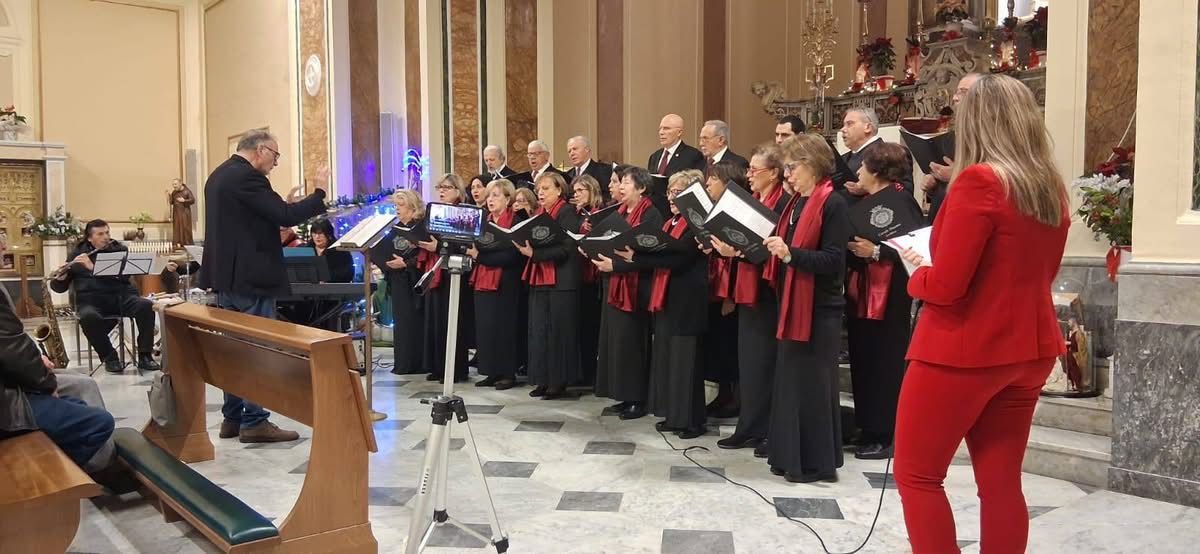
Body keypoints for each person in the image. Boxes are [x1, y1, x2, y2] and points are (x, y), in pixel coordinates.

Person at [892, 74, 1070, 554]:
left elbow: (948, 286)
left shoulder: (979, 180)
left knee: (918, 476)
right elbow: (1040, 272)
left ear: (977, 123)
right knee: (1001, 483)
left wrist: (916, 272)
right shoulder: (1049, 187)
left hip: (963, 349)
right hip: (1028, 350)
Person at [198, 128, 328, 443]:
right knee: (256, 349)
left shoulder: (218, 176)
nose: (275, 163)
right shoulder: (248, 178)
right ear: (261, 150)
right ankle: (255, 421)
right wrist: (319, 193)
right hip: (251, 279)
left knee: (234, 348)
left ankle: (232, 418)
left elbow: (257, 218)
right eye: (275, 155)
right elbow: (285, 215)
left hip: (227, 279)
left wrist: (284, 205)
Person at [762, 133, 849, 483]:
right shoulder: (796, 201)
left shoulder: (833, 203)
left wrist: (789, 254)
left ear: (812, 165)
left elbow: (833, 260)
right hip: (793, 302)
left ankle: (814, 463)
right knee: (791, 384)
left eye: (792, 168)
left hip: (820, 307)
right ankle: (789, 457)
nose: (788, 176)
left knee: (813, 386)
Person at [844, 142, 924, 460]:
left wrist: (876, 251)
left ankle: (888, 432)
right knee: (863, 361)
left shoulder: (901, 200)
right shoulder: (863, 202)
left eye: (862, 167)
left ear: (877, 170)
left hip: (891, 298)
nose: (858, 172)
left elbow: (916, 246)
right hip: (862, 291)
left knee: (885, 364)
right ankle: (868, 427)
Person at [1, 256, 115, 472]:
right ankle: (56, 480)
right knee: (100, 422)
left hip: (9, 380)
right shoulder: (78, 256)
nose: (4, 246)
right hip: (6, 403)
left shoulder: (116, 252)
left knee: (79, 394)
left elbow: (10, 345)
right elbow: (10, 349)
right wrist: (45, 383)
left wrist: (36, 359)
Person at [712, 143, 790, 454]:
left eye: (754, 170)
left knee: (764, 363)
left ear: (773, 173)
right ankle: (749, 426)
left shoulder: (781, 202)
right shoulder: (755, 199)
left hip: (768, 293)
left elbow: (771, 248)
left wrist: (739, 251)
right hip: (747, 288)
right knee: (749, 363)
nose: (749, 175)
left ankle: (766, 430)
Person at [639, 170, 709, 438]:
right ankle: (673, 414)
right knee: (669, 358)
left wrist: (640, 257)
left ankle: (691, 421)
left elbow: (680, 259)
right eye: (669, 191)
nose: (671, 196)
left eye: (678, 192)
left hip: (688, 300)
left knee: (687, 363)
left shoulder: (697, 223)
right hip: (668, 298)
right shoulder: (671, 223)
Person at [593, 166, 664, 420]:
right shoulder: (620, 212)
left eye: (626, 182)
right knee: (616, 343)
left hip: (637, 287)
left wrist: (617, 265)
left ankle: (637, 398)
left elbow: (650, 256)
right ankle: (622, 394)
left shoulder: (651, 215)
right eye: (619, 182)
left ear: (642, 188)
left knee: (633, 344)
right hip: (614, 284)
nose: (620, 187)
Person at [49, 220, 165, 373]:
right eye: (100, 234)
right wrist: (61, 277)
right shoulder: (78, 253)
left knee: (145, 306)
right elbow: (59, 288)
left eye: (107, 233)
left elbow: (124, 278)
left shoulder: (119, 249)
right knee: (88, 317)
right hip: (90, 301)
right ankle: (110, 357)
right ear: (90, 238)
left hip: (120, 297)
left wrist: (92, 267)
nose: (106, 237)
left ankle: (145, 356)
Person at [517, 173, 583, 399]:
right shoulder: (540, 213)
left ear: (559, 190)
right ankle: (542, 379)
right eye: (538, 189)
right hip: (541, 277)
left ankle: (558, 381)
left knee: (558, 333)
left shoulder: (567, 212)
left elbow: (567, 247)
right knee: (540, 330)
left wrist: (535, 253)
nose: (540, 193)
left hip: (562, 280)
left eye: (545, 188)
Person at [468, 179, 526, 390]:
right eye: (489, 196)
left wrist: (480, 256)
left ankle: (507, 373)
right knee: (485, 327)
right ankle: (491, 371)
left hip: (506, 282)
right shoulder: (483, 221)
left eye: (496, 196)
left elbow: (513, 256)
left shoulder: (516, 222)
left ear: (508, 199)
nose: (490, 200)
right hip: (483, 279)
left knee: (504, 328)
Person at [417, 174, 473, 383]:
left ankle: (456, 369)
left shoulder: (463, 213)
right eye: (440, 187)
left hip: (455, 273)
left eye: (447, 187)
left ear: (458, 191)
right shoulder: (435, 212)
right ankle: (438, 366)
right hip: (436, 271)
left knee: (452, 322)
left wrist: (438, 247)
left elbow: (464, 244)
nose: (442, 191)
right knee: (436, 321)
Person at [700, 162, 743, 420]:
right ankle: (724, 393)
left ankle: (735, 398)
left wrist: (731, 296)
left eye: (713, 180)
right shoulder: (718, 209)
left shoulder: (737, 211)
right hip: (714, 285)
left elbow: (737, 254)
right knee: (718, 344)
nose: (707, 184)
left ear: (727, 182)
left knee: (729, 346)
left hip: (731, 289)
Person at [921, 72, 982, 223]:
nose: (954, 98)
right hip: (941, 218)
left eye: (963, 92)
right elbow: (944, 187)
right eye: (956, 92)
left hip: (968, 220)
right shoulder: (951, 137)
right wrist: (934, 185)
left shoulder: (992, 137)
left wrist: (956, 175)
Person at [383, 190, 427, 375]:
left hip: (414, 281)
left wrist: (406, 263)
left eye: (400, 205)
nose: (397, 209)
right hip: (398, 280)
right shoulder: (396, 228)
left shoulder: (420, 227)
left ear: (412, 207)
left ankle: (415, 363)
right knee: (401, 323)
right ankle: (402, 363)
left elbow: (424, 256)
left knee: (413, 322)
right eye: (395, 206)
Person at [571, 174, 606, 386]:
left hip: (595, 274)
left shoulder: (598, 213)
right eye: (574, 192)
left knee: (592, 325)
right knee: (581, 324)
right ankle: (583, 370)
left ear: (592, 191)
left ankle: (592, 373)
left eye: (581, 191)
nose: (576, 195)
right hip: (579, 273)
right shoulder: (576, 214)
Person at [839, 108, 913, 201]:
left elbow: (905, 191)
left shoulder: (892, 153)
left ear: (868, 127)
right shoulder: (842, 159)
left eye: (849, 124)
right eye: (843, 125)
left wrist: (869, 188)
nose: (842, 129)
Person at [565, 136, 613, 202]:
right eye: (569, 151)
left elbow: (608, 198)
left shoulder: (604, 170)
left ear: (587, 149)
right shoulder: (567, 175)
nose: (572, 153)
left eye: (575, 149)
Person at [168, 178, 195, 247]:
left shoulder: (187, 191)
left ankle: (187, 245)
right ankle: (177, 244)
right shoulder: (174, 192)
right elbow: (172, 202)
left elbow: (192, 200)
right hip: (176, 214)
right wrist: (168, 196)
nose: (174, 186)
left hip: (184, 214)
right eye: (173, 184)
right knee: (177, 229)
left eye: (175, 184)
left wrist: (184, 201)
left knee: (185, 229)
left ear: (180, 183)